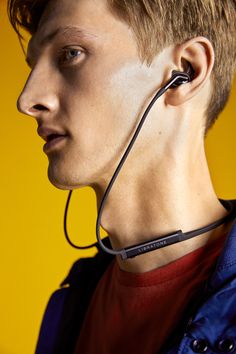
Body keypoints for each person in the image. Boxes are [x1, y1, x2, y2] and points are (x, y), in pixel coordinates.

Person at [8, 0, 236, 353]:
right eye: (33, 66)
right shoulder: (68, 307)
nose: (27, 99)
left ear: (186, 71)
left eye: (70, 53)